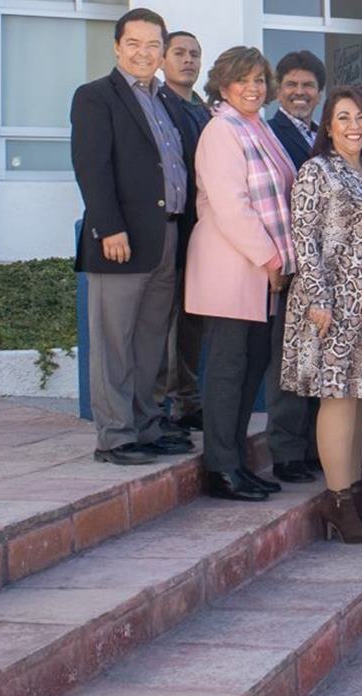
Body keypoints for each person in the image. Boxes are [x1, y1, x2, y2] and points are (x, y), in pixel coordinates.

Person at [71, 7, 196, 466]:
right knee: (115, 344)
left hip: (165, 236)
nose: (144, 53)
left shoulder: (165, 100)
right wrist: (109, 227)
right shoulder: (95, 96)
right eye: (134, 44)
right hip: (120, 240)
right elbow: (92, 166)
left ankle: (147, 425)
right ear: (117, 47)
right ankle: (116, 437)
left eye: (153, 45)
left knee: (150, 342)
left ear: (162, 51)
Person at [282, 87, 362, 543]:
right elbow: (304, 236)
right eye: (343, 117)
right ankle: (335, 501)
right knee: (336, 398)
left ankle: (352, 493)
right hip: (331, 303)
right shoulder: (317, 171)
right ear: (328, 126)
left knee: (354, 399)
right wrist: (318, 297)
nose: (355, 126)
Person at [184, 46, 296, 501]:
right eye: (242, 80)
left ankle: (237, 463)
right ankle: (220, 468)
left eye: (259, 79)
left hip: (261, 272)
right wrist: (272, 259)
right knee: (228, 371)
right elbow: (233, 208)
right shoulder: (221, 131)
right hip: (234, 267)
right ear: (223, 85)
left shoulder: (257, 127)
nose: (253, 88)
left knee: (250, 368)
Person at [265, 50, 326, 484]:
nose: (300, 92)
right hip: (291, 264)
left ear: (319, 93)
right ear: (278, 89)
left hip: (331, 268)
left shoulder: (329, 136)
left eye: (308, 86)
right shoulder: (268, 135)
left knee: (321, 361)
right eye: (292, 85)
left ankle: (316, 447)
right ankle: (287, 451)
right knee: (289, 361)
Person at [155, 30, 211, 435]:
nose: (187, 60)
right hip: (167, 227)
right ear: (162, 59)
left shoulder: (204, 110)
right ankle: (159, 405)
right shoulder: (155, 105)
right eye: (179, 53)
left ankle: (188, 400)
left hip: (201, 230)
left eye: (194, 54)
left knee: (192, 319)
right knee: (162, 319)